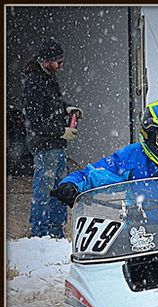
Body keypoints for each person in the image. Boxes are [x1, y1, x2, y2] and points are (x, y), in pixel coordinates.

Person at [50, 98, 158, 239]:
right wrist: (71, 184)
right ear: (149, 137)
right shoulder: (133, 157)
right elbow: (92, 175)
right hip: (138, 239)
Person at [22, 38, 83, 238]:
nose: (61, 65)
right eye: (58, 61)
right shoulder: (34, 82)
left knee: (60, 190)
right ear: (46, 61)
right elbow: (35, 120)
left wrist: (67, 108)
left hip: (56, 146)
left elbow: (52, 103)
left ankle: (56, 232)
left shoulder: (48, 77)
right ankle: (39, 233)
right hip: (44, 147)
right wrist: (61, 131)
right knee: (43, 191)